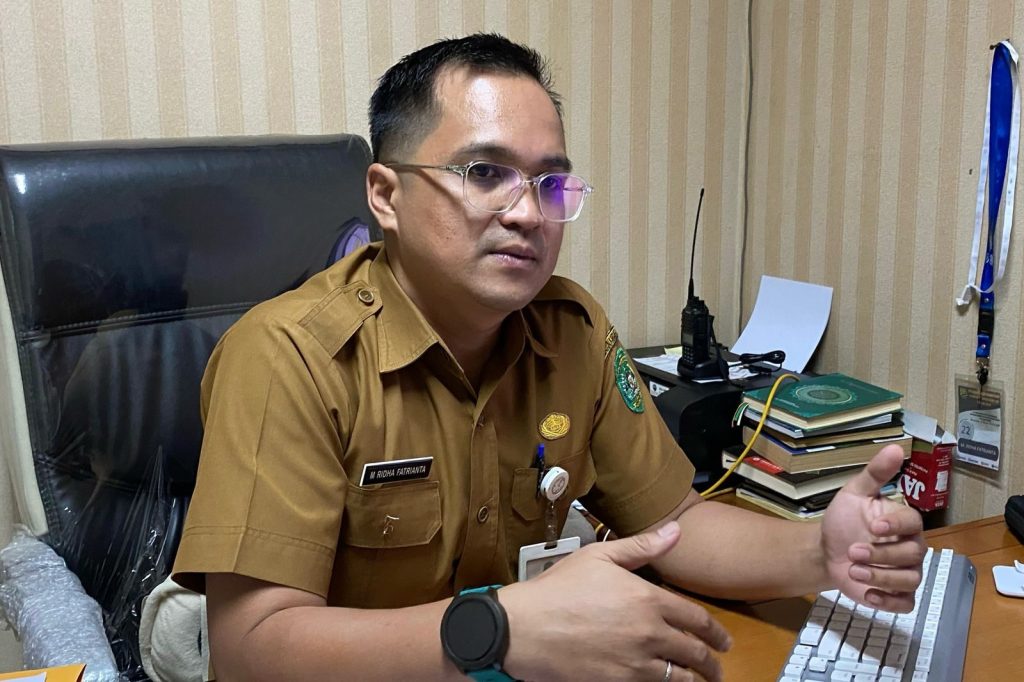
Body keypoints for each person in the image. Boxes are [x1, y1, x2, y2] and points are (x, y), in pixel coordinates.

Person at [171, 33, 925, 682]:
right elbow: (249, 649)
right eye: (485, 173)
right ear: (387, 196)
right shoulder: (289, 357)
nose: (530, 212)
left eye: (551, 182)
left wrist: (820, 551)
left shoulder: (572, 331)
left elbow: (675, 524)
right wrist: (499, 630)